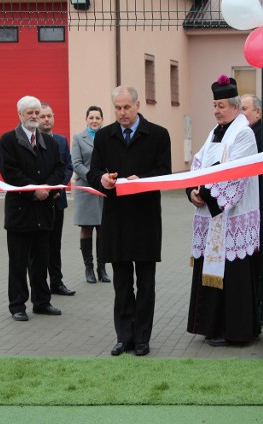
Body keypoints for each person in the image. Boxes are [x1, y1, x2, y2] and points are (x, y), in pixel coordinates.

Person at [87, 86, 172, 357]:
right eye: (118, 108)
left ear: (137, 105)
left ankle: (143, 338)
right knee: (121, 283)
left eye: (127, 107)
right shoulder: (103, 136)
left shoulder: (158, 135)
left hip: (145, 219)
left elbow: (164, 173)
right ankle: (124, 337)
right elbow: (92, 172)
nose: (122, 113)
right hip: (116, 220)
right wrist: (101, 179)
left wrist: (143, 180)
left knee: (146, 284)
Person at [186, 75, 261, 346]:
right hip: (213, 212)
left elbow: (234, 174)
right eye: (214, 105)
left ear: (234, 106)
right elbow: (198, 163)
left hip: (233, 214)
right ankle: (212, 326)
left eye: (220, 105)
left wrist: (205, 194)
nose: (216, 110)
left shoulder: (243, 133)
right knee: (211, 268)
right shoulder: (214, 132)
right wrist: (192, 190)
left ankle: (236, 330)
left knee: (234, 274)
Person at [0, 95, 66, 321]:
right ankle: (17, 305)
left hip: (45, 211)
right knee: (18, 262)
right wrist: (33, 190)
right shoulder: (8, 141)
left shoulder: (51, 143)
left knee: (41, 261)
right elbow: (10, 173)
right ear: (20, 115)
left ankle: (42, 302)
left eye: (37, 112)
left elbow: (59, 169)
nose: (35, 116)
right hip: (20, 212)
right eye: (30, 113)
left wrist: (48, 189)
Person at [38, 102, 76, 296]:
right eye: (43, 116)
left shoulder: (61, 141)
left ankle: (57, 283)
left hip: (58, 200)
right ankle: (40, 286)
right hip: (39, 201)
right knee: (40, 246)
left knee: (55, 244)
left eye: (49, 116)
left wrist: (59, 186)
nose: (46, 119)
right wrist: (49, 189)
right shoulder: (33, 141)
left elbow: (68, 166)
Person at [71, 106, 111, 284]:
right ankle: (89, 268)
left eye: (98, 118)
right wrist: (94, 178)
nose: (95, 121)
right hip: (86, 189)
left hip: (104, 189)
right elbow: (76, 164)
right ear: (86, 119)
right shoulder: (78, 138)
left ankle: (101, 268)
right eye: (91, 117)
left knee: (103, 229)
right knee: (86, 228)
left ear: (102, 120)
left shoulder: (108, 137)